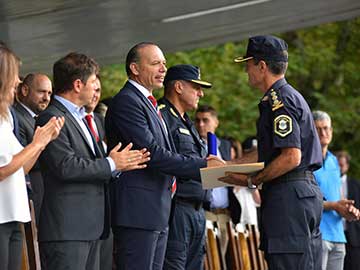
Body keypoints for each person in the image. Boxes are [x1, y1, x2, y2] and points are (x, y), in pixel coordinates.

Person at [105, 42, 224, 270]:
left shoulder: (149, 104)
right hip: (138, 211)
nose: (163, 69)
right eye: (155, 63)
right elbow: (151, 153)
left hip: (157, 209)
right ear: (135, 68)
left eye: (164, 64)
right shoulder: (127, 101)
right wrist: (202, 166)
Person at [36, 52, 150, 270]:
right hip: (67, 230)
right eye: (92, 83)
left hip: (93, 227)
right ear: (78, 85)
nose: (96, 88)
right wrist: (112, 164)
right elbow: (66, 167)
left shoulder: (86, 118)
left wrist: (120, 164)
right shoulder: (51, 117)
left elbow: (97, 163)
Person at [219, 35, 324, 270]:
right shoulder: (283, 97)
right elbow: (267, 152)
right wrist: (227, 165)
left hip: (289, 195)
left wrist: (252, 181)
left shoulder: (280, 101)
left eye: (248, 64)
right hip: (296, 194)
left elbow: (290, 156)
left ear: (262, 66)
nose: (246, 71)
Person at [0, 44, 64, 270]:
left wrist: (42, 142)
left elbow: (20, 169)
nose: (18, 81)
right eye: (13, 74)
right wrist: (36, 143)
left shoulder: (6, 115)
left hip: (14, 214)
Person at [157, 64, 212, 270]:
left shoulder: (188, 122)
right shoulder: (162, 117)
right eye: (196, 87)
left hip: (198, 210)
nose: (201, 93)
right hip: (177, 209)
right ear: (178, 87)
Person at [194, 105, 241, 270]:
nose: (200, 124)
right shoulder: (193, 145)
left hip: (225, 214)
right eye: (197, 120)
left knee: (223, 261)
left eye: (205, 120)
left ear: (216, 122)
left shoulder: (225, 146)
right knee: (206, 261)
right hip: (205, 211)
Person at [313, 111, 359, 270]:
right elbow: (307, 201)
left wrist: (347, 208)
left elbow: (336, 196)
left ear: (331, 131)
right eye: (318, 129)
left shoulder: (334, 161)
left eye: (326, 128)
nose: (323, 133)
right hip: (317, 235)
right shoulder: (306, 160)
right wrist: (334, 206)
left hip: (339, 236)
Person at [13, 73, 52, 224]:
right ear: (24, 90)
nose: (47, 98)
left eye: (49, 93)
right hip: (30, 196)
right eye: (41, 92)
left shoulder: (42, 119)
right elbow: (18, 159)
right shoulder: (16, 117)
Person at [84, 76, 113, 270]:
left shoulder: (101, 121)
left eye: (99, 91)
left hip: (104, 210)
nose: (95, 95)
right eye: (92, 90)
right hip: (80, 210)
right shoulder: (74, 120)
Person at [336, 151, 360, 270]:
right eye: (337, 165)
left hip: (353, 236)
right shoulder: (329, 183)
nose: (339, 168)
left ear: (347, 166)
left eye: (342, 165)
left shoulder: (356, 185)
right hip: (334, 233)